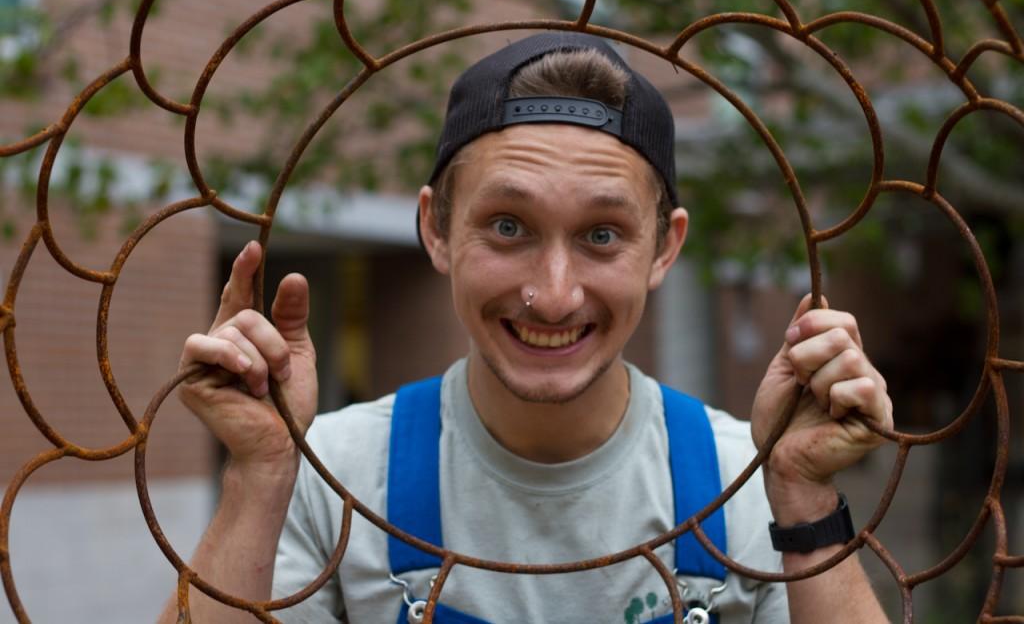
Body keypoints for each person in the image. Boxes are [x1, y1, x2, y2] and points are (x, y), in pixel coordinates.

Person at [159, 33, 893, 624]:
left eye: (602, 235)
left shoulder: (748, 480)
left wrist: (805, 500)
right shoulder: (331, 472)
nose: (552, 295)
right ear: (437, 230)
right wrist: (257, 478)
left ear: (663, 249)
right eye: (508, 226)